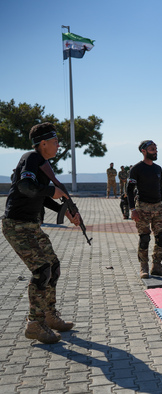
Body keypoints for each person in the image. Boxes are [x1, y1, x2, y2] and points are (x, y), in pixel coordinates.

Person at [1, 122, 81, 344]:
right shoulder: (31, 158)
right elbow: (26, 187)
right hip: (16, 225)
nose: (58, 145)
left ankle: (48, 315)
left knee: (52, 266)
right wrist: (52, 190)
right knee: (42, 270)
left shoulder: (43, 163)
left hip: (31, 226)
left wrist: (64, 212)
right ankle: (34, 324)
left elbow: (42, 197)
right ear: (42, 143)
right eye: (55, 142)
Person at [127, 140, 162, 279]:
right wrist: (132, 209)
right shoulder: (136, 169)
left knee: (160, 237)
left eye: (156, 149)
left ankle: (157, 266)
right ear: (144, 151)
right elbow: (129, 190)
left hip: (157, 207)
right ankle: (144, 267)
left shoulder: (158, 169)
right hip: (142, 208)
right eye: (152, 149)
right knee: (144, 238)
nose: (155, 151)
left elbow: (161, 189)